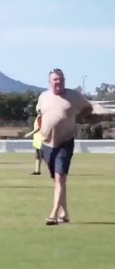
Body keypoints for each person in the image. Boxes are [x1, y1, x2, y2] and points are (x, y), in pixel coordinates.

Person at [36, 68, 93, 225]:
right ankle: (64, 213)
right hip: (47, 143)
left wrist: (80, 117)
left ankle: (53, 214)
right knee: (57, 180)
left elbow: (88, 108)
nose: (58, 82)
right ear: (50, 82)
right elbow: (40, 114)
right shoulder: (43, 97)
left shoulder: (74, 96)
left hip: (65, 142)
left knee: (60, 177)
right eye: (55, 79)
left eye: (61, 79)